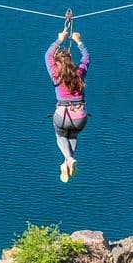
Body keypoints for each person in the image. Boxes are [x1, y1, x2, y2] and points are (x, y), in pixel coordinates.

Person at [45, 27, 90, 182]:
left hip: (62, 115)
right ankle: (68, 161)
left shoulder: (56, 75)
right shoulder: (79, 74)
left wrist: (60, 39)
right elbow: (86, 57)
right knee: (73, 134)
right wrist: (79, 41)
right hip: (80, 117)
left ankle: (69, 159)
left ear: (57, 63)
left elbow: (48, 55)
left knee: (60, 135)